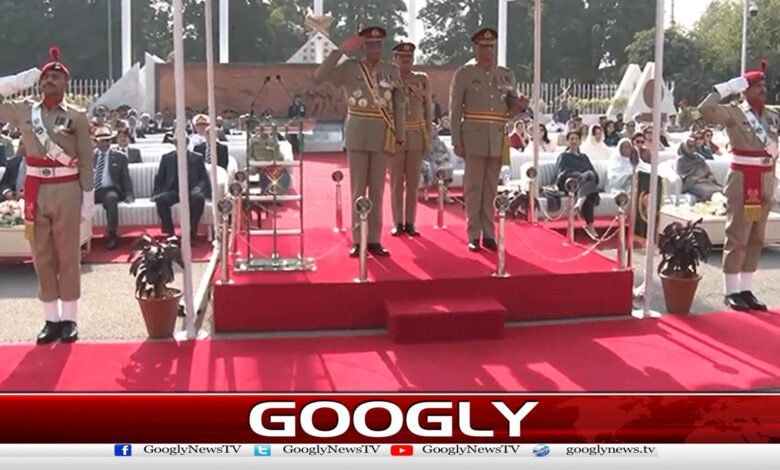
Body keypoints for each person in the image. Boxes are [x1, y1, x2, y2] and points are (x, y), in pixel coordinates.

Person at [0, 47, 93, 344]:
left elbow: (86, 158)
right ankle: (50, 319)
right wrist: (19, 80)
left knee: (67, 255)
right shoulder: (25, 109)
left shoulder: (77, 116)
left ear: (66, 83)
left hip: (66, 188)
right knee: (41, 257)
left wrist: (88, 197)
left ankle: (70, 319)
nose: (48, 80)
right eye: (44, 77)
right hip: (34, 190)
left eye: (55, 76)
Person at [314, 25, 405, 257]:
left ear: (382, 46)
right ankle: (358, 238)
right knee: (357, 190)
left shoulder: (391, 70)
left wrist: (400, 136)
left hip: (382, 133)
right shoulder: (350, 67)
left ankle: (374, 238)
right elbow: (320, 76)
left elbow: (398, 105)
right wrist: (340, 50)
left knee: (376, 189)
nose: (374, 48)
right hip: (357, 132)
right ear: (363, 46)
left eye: (378, 44)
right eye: (370, 44)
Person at [699, 59, 780, 311]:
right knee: (738, 235)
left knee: (756, 236)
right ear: (745, 89)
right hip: (744, 180)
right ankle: (731, 289)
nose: (763, 89)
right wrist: (725, 88)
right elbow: (705, 109)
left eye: (764, 84)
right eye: (757, 85)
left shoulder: (772, 115)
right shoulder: (735, 112)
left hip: (764, 180)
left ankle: (746, 288)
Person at [450, 27, 527, 252]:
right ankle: (474, 233)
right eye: (483, 47)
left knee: (491, 188)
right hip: (473, 136)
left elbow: (510, 109)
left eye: (491, 47)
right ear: (475, 48)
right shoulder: (465, 73)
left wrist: (520, 106)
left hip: (496, 136)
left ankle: (489, 232)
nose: (488, 51)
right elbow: (455, 110)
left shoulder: (505, 74)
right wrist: (457, 139)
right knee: (474, 187)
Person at [389, 42, 432, 237]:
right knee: (397, 182)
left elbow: (428, 109)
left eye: (410, 59)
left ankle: (410, 221)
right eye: (402, 59)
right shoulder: (389, 80)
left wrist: (428, 136)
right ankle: (398, 221)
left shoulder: (421, 79)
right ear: (394, 59)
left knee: (413, 182)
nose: (407, 62)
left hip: (415, 135)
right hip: (396, 136)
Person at [152, 142, 211, 241]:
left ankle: (191, 234)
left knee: (199, 199)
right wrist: (156, 192)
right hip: (173, 190)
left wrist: (199, 187)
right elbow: (160, 177)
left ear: (187, 143)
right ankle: (170, 234)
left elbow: (204, 178)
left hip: (191, 190)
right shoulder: (167, 158)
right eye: (177, 142)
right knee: (161, 200)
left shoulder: (197, 157)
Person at [92, 126, 134, 250]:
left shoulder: (120, 157)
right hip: (92, 189)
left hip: (110, 189)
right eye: (101, 141)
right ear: (95, 142)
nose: (104, 143)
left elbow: (126, 178)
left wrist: (129, 194)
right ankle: (79, 236)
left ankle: (112, 235)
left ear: (110, 141)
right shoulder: (89, 156)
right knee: (76, 200)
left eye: (107, 140)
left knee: (111, 199)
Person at [555, 131, 600, 236]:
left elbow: (593, 173)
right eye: (572, 139)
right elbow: (561, 173)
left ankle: (580, 203)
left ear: (580, 141)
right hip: (570, 183)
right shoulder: (564, 156)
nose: (574, 141)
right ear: (568, 141)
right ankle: (590, 226)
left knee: (589, 182)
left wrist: (586, 175)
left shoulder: (584, 157)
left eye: (576, 139)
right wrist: (577, 174)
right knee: (588, 181)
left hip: (584, 186)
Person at [675, 136, 722, 202]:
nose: (692, 149)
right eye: (690, 146)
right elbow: (683, 176)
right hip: (693, 184)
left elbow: (708, 172)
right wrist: (697, 179)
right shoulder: (680, 160)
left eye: (694, 146)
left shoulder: (699, 158)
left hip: (706, 182)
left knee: (721, 190)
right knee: (706, 192)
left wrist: (710, 177)